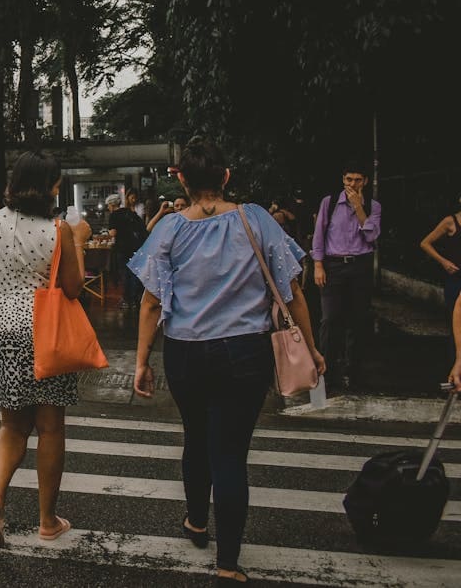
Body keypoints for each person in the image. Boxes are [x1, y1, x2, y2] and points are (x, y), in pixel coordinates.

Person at [132, 138, 324, 586]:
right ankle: (228, 562)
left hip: (185, 352)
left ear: (180, 178)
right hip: (245, 351)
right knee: (230, 453)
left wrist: (142, 360)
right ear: (226, 176)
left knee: (196, 438)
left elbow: (149, 303)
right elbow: (292, 290)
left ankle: (196, 522)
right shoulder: (255, 219)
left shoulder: (170, 229)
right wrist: (312, 349)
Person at [0, 152, 84, 548]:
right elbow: (73, 288)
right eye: (56, 183)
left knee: (12, 423)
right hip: (45, 330)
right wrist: (78, 243)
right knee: (50, 427)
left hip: (2, 328)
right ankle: (47, 520)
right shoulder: (59, 229)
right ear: (48, 187)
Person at [312, 161, 381, 390]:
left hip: (360, 266)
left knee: (359, 320)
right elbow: (319, 234)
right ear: (343, 179)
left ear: (365, 182)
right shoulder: (329, 203)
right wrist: (318, 265)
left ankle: (355, 372)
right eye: (349, 179)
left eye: (358, 180)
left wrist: (359, 208)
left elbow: (372, 237)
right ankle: (327, 372)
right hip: (333, 265)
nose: (353, 184)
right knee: (330, 319)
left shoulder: (373, 206)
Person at [420, 200, 461, 391]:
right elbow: (425, 243)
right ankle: (455, 375)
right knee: (456, 327)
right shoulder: (451, 222)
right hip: (456, 279)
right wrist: (444, 262)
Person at [110, 189, 148, 307]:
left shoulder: (114, 215)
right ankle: (135, 299)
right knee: (133, 273)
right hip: (135, 247)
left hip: (122, 247)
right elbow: (143, 229)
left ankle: (127, 299)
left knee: (125, 273)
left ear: (111, 205)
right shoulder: (132, 213)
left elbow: (113, 233)